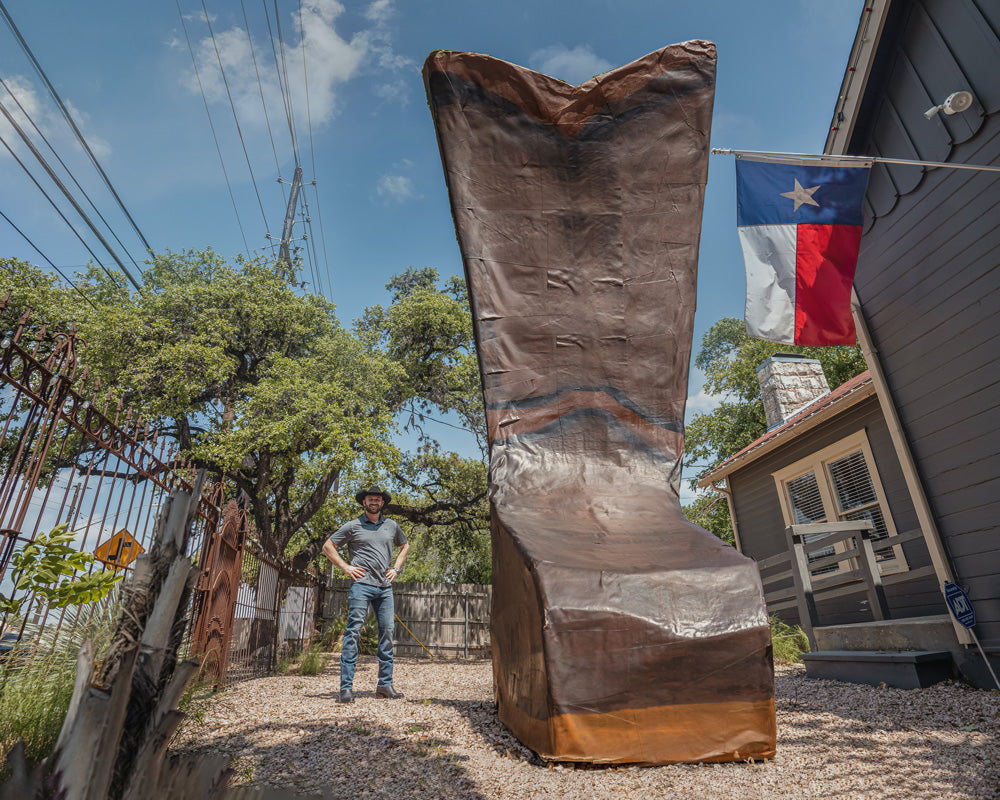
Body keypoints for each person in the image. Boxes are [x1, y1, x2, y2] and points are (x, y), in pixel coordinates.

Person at [323, 485, 409, 703]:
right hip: (361, 586)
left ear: (382, 503)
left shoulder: (391, 526)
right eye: (370, 499)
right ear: (364, 502)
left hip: (384, 588)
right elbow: (328, 546)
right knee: (353, 633)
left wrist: (396, 569)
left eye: (377, 499)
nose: (374, 502)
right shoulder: (353, 526)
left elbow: (405, 546)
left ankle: (384, 685)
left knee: (387, 633)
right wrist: (346, 567)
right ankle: (346, 688)